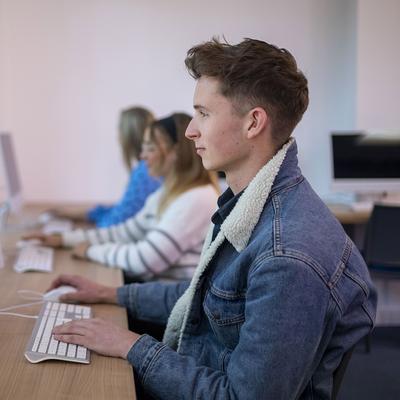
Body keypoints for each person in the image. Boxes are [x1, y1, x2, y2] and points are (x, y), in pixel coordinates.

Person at [48, 38, 377, 399]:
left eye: (203, 113)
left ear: (253, 123)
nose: (191, 130)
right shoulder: (248, 206)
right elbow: (203, 297)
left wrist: (132, 345)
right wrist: (108, 292)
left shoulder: (287, 258)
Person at [28, 113, 219, 282]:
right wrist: (64, 239)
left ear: (175, 153)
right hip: (150, 291)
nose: (143, 156)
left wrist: (89, 251)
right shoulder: (167, 193)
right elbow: (125, 232)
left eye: (150, 148)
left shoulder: (197, 198)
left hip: (164, 305)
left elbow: (145, 260)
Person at [55, 106, 161, 227]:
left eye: (119, 130)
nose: (118, 136)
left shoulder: (145, 172)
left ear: (128, 135)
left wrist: (74, 233)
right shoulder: (149, 169)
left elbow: (116, 222)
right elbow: (123, 208)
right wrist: (80, 214)